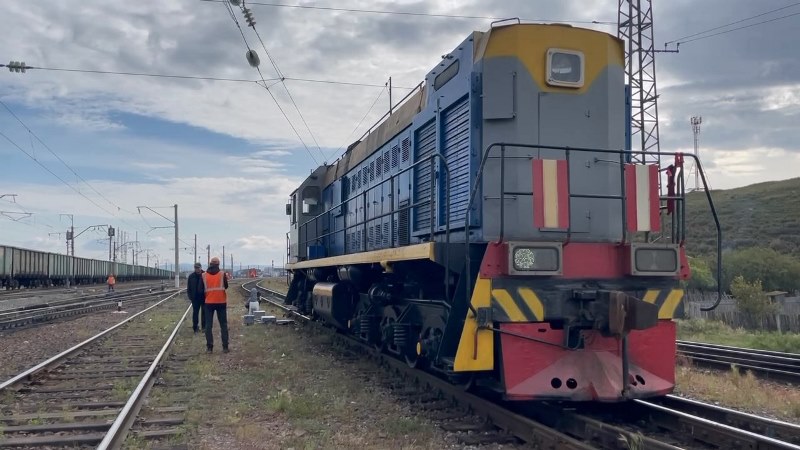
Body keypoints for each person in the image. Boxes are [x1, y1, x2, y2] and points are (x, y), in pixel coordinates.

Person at [203, 256, 229, 353]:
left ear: (210, 264)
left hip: (209, 303)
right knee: (223, 325)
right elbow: (226, 286)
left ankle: (210, 348)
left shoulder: (204, 275)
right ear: (218, 264)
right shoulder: (222, 274)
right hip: (221, 302)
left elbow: (202, 289)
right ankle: (225, 347)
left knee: (208, 326)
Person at [186, 262, 206, 334]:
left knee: (204, 313)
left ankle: (204, 327)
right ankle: (195, 328)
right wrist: (190, 296)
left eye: (198, 267)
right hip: (195, 298)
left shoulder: (205, 275)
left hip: (204, 297)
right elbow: (189, 287)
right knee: (195, 313)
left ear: (201, 267)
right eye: (195, 268)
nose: (197, 269)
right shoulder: (191, 276)